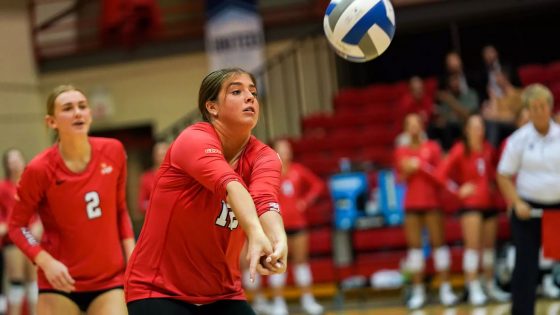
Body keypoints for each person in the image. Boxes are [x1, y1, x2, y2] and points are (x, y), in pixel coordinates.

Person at [124, 68, 287, 315]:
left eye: (253, 92)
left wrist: (277, 240)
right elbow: (231, 186)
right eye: (236, 91)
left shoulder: (266, 157)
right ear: (212, 107)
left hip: (223, 293)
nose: (250, 97)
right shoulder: (193, 140)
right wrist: (255, 232)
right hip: (159, 289)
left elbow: (265, 201)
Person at [8, 85, 136, 315]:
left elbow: (120, 210)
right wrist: (45, 261)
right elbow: (17, 226)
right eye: (68, 108)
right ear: (51, 122)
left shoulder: (114, 151)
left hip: (109, 280)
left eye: (82, 106)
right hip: (58, 281)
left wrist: (132, 258)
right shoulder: (39, 169)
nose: (78, 112)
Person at [497, 84, 560, 315]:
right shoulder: (518, 140)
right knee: (525, 265)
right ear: (528, 111)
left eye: (543, 106)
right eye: (534, 107)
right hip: (528, 210)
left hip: (557, 210)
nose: (539, 111)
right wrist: (516, 203)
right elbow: (503, 175)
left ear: (550, 108)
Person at [242, 139, 324, 315]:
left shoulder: (298, 170)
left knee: (301, 263)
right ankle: (279, 304)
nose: (285, 153)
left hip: (298, 224)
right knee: (277, 263)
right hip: (275, 227)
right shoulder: (267, 173)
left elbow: (317, 185)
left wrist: (305, 202)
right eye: (281, 149)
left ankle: (308, 300)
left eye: (287, 149)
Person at [437, 114, 509, 305]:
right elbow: (440, 175)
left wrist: (494, 184)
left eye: (481, 126)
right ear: (466, 130)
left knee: (488, 249)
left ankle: (490, 285)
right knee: (472, 248)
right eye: (475, 126)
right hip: (471, 206)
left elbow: (494, 173)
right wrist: (457, 190)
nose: (479, 130)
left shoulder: (487, 149)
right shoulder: (460, 150)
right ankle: (473, 285)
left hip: (490, 204)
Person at [394, 114, 458, 309]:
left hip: (432, 203)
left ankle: (446, 289)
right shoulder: (401, 151)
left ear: (422, 126)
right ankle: (418, 292)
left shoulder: (432, 147)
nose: (413, 127)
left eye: (416, 124)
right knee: (414, 249)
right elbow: (399, 178)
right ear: (405, 128)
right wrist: (408, 169)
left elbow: (441, 175)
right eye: (409, 124)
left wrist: (421, 166)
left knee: (439, 245)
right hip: (412, 204)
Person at [0, 149, 42, 315]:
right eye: (11, 160)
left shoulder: (31, 183)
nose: (15, 163)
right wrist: (7, 226)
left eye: (18, 159)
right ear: (7, 165)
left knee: (33, 283)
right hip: (12, 240)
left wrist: (40, 224)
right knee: (16, 282)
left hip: (31, 236)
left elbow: (41, 209)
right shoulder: (3, 188)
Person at [432, 73, 479, 151]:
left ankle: (448, 150)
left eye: (457, 81)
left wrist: (450, 100)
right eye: (452, 81)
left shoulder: (470, 95)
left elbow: (467, 114)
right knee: (434, 126)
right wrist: (441, 120)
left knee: (450, 126)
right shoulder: (447, 97)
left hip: (465, 125)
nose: (455, 84)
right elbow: (445, 115)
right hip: (450, 124)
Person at [482, 69, 523, 147]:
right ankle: (490, 151)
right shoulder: (498, 99)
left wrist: (496, 116)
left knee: (492, 122)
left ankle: (490, 150)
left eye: (498, 76)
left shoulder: (519, 93)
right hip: (502, 127)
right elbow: (488, 116)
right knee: (490, 123)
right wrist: (492, 97)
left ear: (505, 77)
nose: (496, 80)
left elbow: (513, 117)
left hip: (516, 126)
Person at [137, 141, 169, 215]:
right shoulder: (146, 177)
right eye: (160, 155)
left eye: (164, 154)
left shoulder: (175, 175)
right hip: (155, 217)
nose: (162, 158)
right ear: (154, 156)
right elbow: (141, 204)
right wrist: (156, 204)